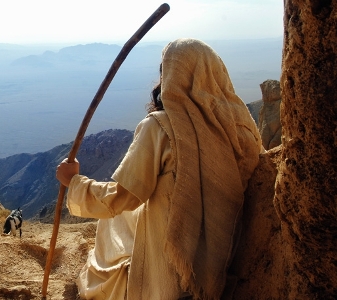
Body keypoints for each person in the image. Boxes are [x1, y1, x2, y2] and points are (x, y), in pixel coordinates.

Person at [56, 38, 263, 300]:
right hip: (226, 248)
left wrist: (74, 182)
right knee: (123, 222)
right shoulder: (241, 127)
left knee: (112, 224)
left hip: (175, 263)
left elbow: (121, 198)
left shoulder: (160, 128)